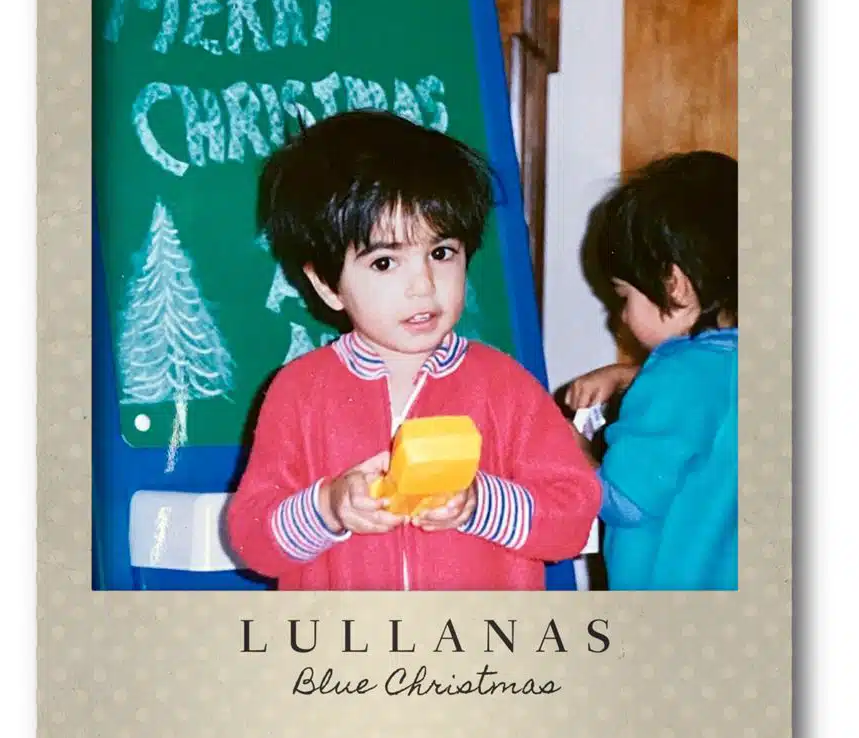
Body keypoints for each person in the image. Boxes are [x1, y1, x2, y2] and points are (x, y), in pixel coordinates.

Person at [226, 110, 600, 590]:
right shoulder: (299, 392)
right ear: (326, 285)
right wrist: (327, 506)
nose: (423, 285)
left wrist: (481, 504)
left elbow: (574, 518)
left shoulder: (505, 387)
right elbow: (253, 540)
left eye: (441, 253)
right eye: (385, 262)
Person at [566, 151, 738, 590]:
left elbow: (622, 501)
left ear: (673, 285)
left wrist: (571, 449)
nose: (621, 317)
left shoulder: (676, 378)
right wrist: (632, 376)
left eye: (624, 296)